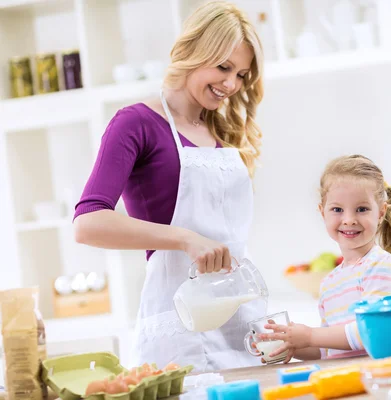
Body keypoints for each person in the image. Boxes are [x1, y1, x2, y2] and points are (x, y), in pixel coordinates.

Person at [73, 1, 266, 371]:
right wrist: (186, 238)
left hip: (241, 321)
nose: (231, 84)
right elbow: (88, 222)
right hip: (180, 329)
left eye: (241, 74)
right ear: (193, 52)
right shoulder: (137, 124)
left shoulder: (221, 133)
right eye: (224, 67)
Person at [259, 155, 391, 362]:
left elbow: (373, 331)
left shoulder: (381, 267)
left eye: (362, 209)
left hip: (380, 377)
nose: (349, 220)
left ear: (380, 213)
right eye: (337, 210)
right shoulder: (330, 283)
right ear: (322, 212)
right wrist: (291, 344)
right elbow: (328, 349)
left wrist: (309, 335)